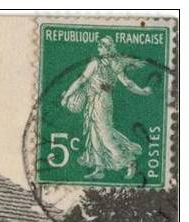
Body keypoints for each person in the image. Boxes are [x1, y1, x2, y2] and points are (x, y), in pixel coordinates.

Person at [59, 36, 154, 180]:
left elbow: (81, 80)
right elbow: (127, 83)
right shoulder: (107, 63)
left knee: (105, 134)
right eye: (99, 45)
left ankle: (129, 162)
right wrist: (143, 91)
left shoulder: (101, 63)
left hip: (101, 101)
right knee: (94, 134)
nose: (98, 47)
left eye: (101, 45)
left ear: (107, 48)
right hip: (93, 100)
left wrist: (67, 97)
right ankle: (99, 168)